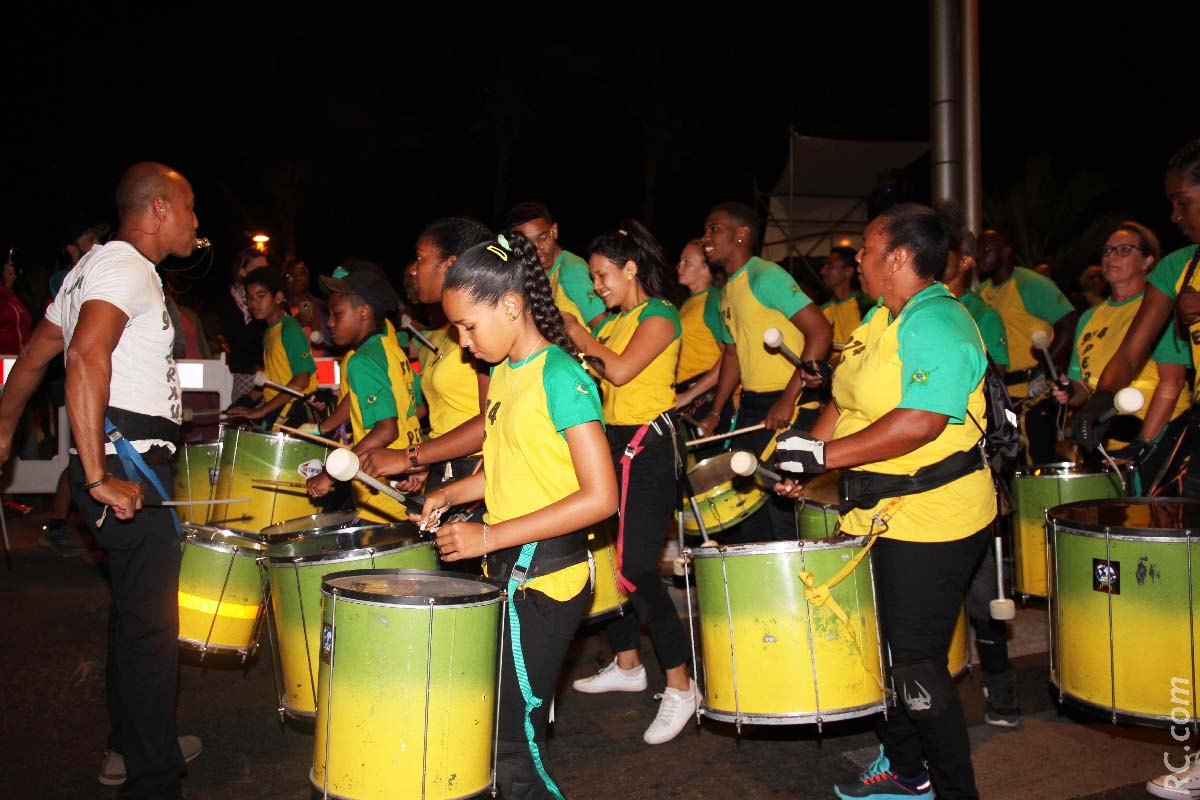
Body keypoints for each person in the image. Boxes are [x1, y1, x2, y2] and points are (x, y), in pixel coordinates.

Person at [774, 203, 995, 799]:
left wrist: (826, 460)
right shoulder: (881, 319)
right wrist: (802, 454)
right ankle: (904, 767)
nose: (858, 260)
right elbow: (846, 402)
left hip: (936, 516)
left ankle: (953, 790)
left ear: (898, 257)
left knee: (919, 663)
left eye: (868, 250)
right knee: (892, 648)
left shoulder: (940, 322)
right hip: (881, 515)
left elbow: (921, 421)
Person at [0, 162, 203, 796]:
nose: (198, 224)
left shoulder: (89, 269)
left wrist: (3, 431)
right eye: (191, 209)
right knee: (151, 630)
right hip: (125, 464)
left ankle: (134, 743)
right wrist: (96, 477)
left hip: (118, 458)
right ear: (162, 209)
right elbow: (85, 356)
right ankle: (153, 777)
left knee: (131, 616)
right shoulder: (125, 267)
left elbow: (34, 359)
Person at [419, 231, 617, 799]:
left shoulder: (562, 375)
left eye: (468, 326)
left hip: (549, 581)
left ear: (510, 306)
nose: (462, 341)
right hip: (513, 573)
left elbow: (602, 497)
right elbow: (515, 469)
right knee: (496, 725)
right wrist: (453, 495)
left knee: (513, 743)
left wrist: (490, 536)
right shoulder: (506, 372)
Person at [1085, 136, 1200, 800]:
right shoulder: (1180, 267)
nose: (1177, 215)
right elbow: (1134, 350)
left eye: (1182, 202)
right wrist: (1103, 397)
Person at [562, 221, 699, 745]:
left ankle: (682, 688)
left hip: (650, 448)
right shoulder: (617, 320)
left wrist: (579, 333)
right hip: (615, 444)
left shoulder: (660, 314)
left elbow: (619, 373)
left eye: (602, 276)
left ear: (631, 269)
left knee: (639, 568)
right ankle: (627, 665)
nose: (596, 285)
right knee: (609, 560)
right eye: (594, 277)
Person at [694, 201, 833, 541]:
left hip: (790, 400)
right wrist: (715, 412)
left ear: (741, 235)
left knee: (782, 506)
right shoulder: (728, 290)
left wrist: (788, 398)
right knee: (749, 503)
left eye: (714, 229)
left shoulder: (765, 276)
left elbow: (821, 331)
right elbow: (733, 356)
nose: (705, 238)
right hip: (754, 404)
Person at [944, 215, 1020, 728]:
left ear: (964, 261)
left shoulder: (978, 316)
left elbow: (992, 394)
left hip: (971, 467)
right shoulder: (896, 312)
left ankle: (999, 683)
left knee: (982, 586)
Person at [1052, 221, 1189, 494]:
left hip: (1159, 435)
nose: (1111, 256)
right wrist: (1070, 391)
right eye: (1107, 250)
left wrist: (1144, 442)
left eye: (1124, 250)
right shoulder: (1089, 317)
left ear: (1148, 261)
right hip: (1107, 440)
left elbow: (1171, 383)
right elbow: (1085, 388)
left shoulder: (1156, 309)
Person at [361, 218, 493, 496]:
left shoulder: (483, 332)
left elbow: (489, 423)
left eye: (420, 258)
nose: (414, 269)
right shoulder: (449, 332)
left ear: (450, 265)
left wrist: (408, 456)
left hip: (478, 472)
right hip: (448, 468)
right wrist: (425, 463)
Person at [306, 267, 420, 522]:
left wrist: (330, 474)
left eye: (337, 314)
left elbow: (387, 430)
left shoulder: (362, 361)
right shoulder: (391, 349)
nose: (330, 323)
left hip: (381, 491)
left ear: (364, 312)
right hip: (406, 477)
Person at [976, 227, 1078, 464]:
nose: (980, 255)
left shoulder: (1030, 284)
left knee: (1040, 464)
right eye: (978, 250)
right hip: (1005, 397)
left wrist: (1044, 369)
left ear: (1007, 251)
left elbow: (1070, 323)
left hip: (1036, 395)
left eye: (987, 249)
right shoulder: (982, 292)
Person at [225, 266, 317, 429]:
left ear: (279, 297)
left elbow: (302, 379)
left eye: (261, 296)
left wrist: (261, 410)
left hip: (295, 414)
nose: (254, 303)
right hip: (279, 411)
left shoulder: (289, 329)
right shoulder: (270, 332)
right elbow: (273, 380)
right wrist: (248, 399)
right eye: (249, 298)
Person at [507, 202, 608, 329]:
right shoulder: (532, 277)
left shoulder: (572, 270)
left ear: (554, 231)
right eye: (528, 244)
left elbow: (604, 328)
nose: (538, 248)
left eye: (543, 237)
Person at [672, 238, 726, 430]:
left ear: (706, 269)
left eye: (687, 262)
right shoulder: (688, 304)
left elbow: (731, 356)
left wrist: (689, 395)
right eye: (680, 260)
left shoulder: (713, 300)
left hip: (706, 395)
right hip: (689, 394)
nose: (680, 266)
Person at [218, 247, 269, 402]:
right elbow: (235, 337)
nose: (264, 274)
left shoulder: (272, 299)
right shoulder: (230, 301)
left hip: (270, 370)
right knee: (245, 418)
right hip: (245, 373)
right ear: (242, 271)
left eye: (266, 269)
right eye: (258, 269)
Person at [819, 245, 874, 360]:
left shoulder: (867, 306)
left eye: (830, 266)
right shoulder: (821, 311)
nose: (823, 271)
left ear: (848, 272)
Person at [282, 257, 332, 357]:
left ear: (308, 278)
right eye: (289, 275)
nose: (296, 279)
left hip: (323, 366)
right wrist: (293, 324)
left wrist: (316, 330)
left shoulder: (322, 307)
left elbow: (335, 344)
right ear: (283, 281)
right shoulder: (279, 310)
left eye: (300, 274)